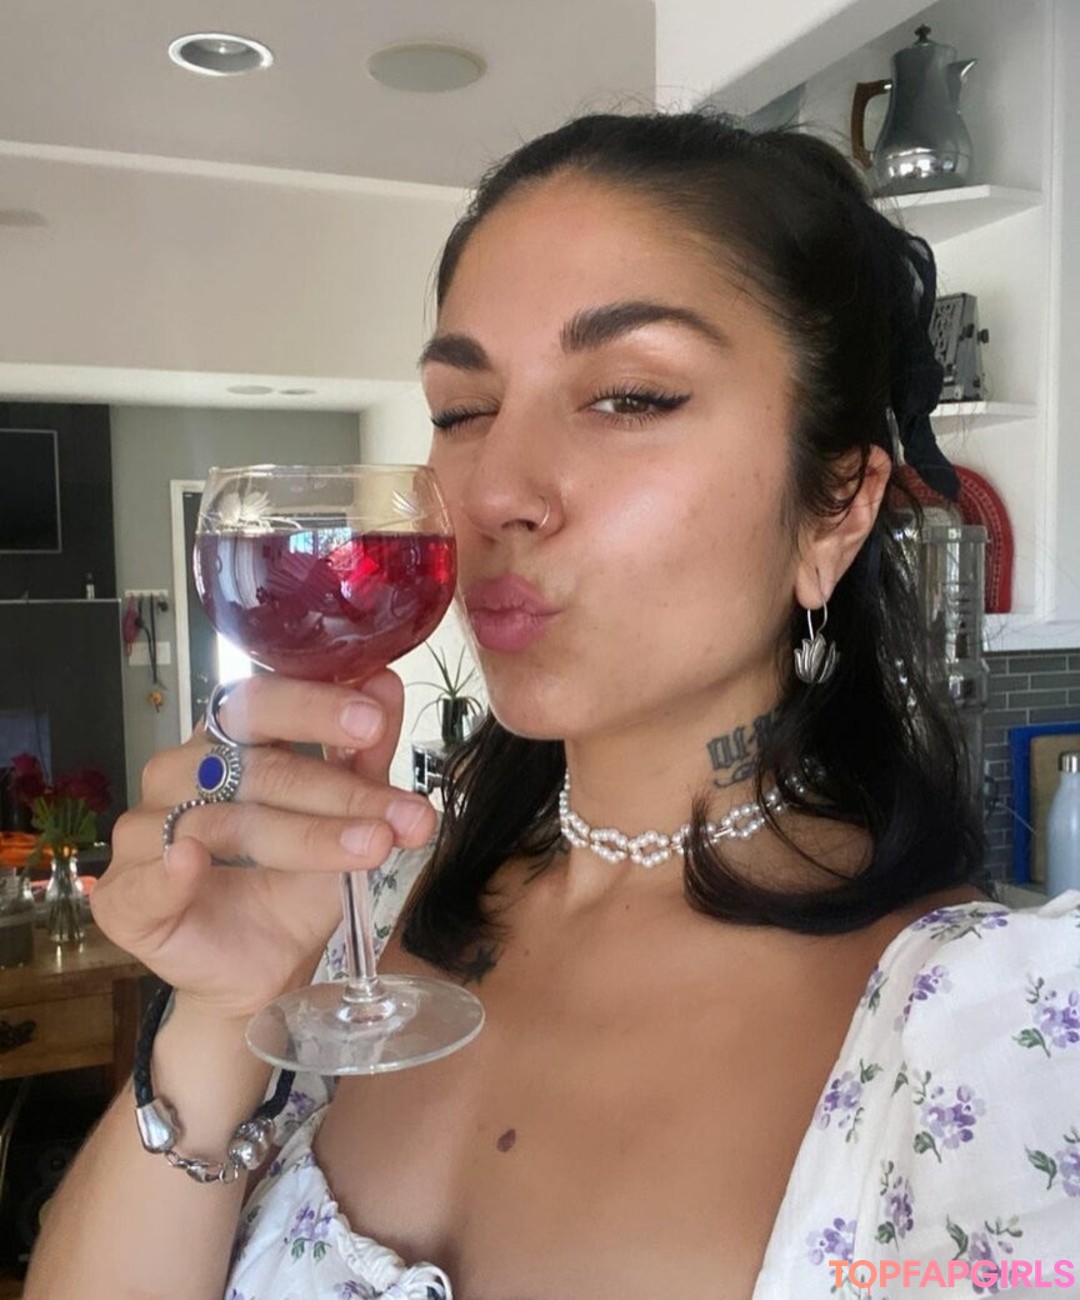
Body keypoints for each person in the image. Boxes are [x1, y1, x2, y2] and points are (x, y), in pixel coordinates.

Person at [26, 112, 1079, 1300]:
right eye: (461, 410)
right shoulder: (368, 909)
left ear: (836, 506)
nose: (494, 491)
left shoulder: (1002, 1047)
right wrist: (222, 1013)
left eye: (629, 396)